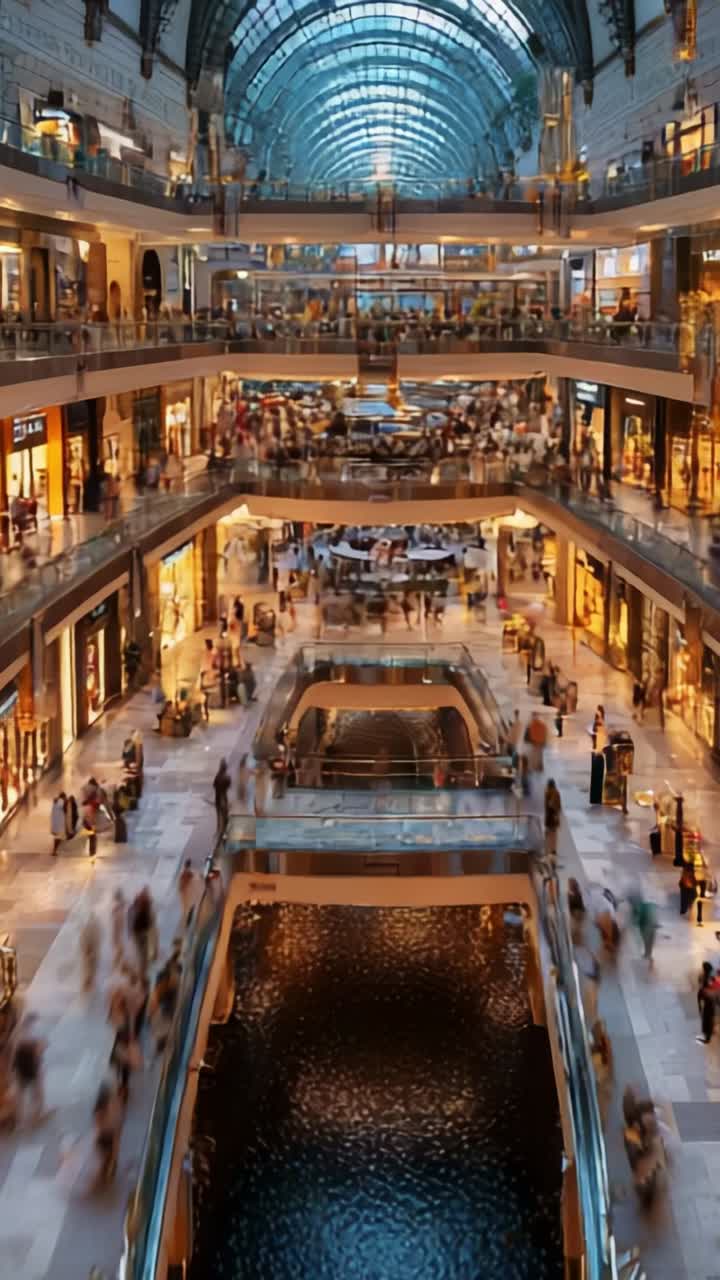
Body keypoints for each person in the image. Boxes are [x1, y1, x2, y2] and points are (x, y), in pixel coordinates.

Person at [12, 1016, 46, 1124]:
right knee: (37, 1091)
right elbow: (38, 1051)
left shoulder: (17, 1033)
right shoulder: (32, 1034)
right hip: (29, 1065)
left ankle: (20, 1117)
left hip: (21, 1065)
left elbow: (14, 1051)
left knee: (21, 1092)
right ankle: (36, 1115)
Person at [91, 1078, 124, 1187]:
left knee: (105, 1160)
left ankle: (104, 1176)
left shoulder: (103, 1108)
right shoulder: (110, 1106)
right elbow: (116, 1123)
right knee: (107, 1159)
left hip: (105, 1136)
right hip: (107, 1135)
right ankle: (105, 1176)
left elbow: (98, 1124)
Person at [80, 913, 102, 991]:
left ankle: (88, 986)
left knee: (89, 969)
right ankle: (90, 986)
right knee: (91, 970)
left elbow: (84, 939)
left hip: (90, 951)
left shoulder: (88, 926)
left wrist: (86, 949)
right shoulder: (97, 924)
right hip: (93, 951)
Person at [697, 962, 716, 1044]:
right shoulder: (710, 978)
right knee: (709, 1017)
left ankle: (707, 1038)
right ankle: (709, 1032)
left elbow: (706, 990)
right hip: (710, 1002)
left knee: (707, 1018)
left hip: (708, 1002)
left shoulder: (707, 978)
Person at [544, 779, 562, 859]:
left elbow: (552, 805)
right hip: (552, 815)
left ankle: (550, 850)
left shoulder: (550, 793)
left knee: (550, 833)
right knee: (552, 834)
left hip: (551, 816)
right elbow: (558, 806)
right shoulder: (554, 793)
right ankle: (552, 850)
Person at [213, 758, 231, 833]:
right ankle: (224, 831)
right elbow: (228, 786)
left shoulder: (217, 776)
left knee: (219, 816)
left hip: (217, 798)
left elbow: (214, 785)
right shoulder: (227, 777)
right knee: (225, 816)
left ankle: (219, 829)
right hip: (223, 798)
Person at [178, 858, 197, 925]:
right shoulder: (190, 873)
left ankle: (187, 920)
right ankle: (188, 920)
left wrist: (181, 889)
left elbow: (181, 883)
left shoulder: (184, 873)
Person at [111, 888, 126, 967]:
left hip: (118, 928)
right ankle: (119, 960)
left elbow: (118, 918)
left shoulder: (119, 906)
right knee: (117, 944)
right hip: (118, 927)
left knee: (118, 944)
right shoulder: (120, 905)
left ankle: (119, 961)